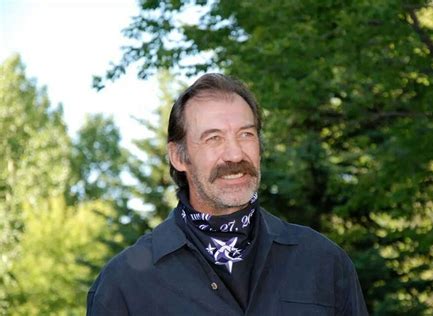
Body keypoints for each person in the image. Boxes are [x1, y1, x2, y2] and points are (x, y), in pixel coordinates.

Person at [87, 73, 368, 315]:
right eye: (214, 139)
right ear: (178, 156)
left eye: (246, 134)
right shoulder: (123, 285)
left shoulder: (323, 262)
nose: (235, 154)